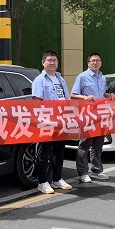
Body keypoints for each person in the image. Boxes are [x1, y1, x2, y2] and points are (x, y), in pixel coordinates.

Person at [70, 52, 115, 182]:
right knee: (85, 144)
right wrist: (85, 97)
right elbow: (73, 94)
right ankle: (83, 172)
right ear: (88, 63)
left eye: (97, 60)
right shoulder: (82, 77)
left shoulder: (102, 77)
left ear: (101, 62)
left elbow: (101, 94)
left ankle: (96, 170)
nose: (95, 62)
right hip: (87, 115)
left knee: (98, 144)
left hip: (100, 115)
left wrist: (109, 95)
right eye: (93, 60)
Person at [31, 50, 73, 194]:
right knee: (44, 153)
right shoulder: (39, 80)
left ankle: (57, 179)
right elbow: (36, 102)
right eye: (49, 60)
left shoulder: (61, 79)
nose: (52, 63)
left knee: (59, 152)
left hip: (61, 121)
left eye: (54, 60)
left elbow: (67, 99)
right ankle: (43, 182)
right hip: (47, 121)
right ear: (43, 62)